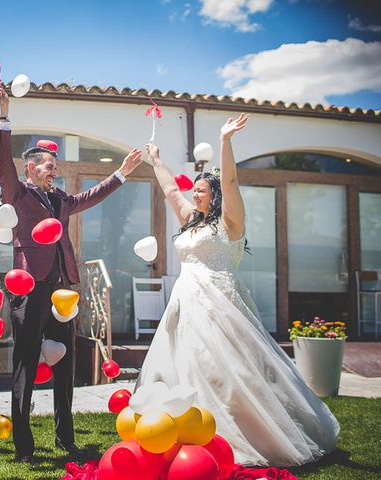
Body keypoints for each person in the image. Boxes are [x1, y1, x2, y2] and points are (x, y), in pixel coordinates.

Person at [137, 113, 339, 466]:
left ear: (214, 197)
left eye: (200, 189)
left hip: (219, 302)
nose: (193, 192)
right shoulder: (189, 221)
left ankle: (242, 435)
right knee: (187, 364)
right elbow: (170, 189)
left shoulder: (231, 223)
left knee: (231, 370)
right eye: (194, 189)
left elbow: (229, 180)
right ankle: (189, 431)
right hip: (185, 303)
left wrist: (225, 141)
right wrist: (156, 161)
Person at [0, 81, 143, 465]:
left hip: (63, 290)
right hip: (29, 286)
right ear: (31, 167)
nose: (53, 169)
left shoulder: (59, 199)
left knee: (64, 367)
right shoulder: (18, 194)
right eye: (47, 165)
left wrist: (121, 174)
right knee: (26, 362)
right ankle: (24, 446)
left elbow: (89, 197)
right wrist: (4, 118)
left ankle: (66, 439)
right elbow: (3, 162)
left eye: (54, 166)